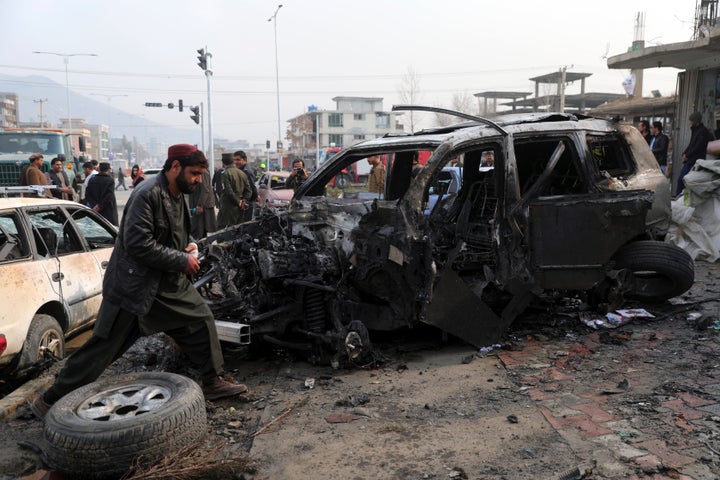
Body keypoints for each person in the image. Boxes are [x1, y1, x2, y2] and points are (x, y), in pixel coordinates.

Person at [30, 144, 248, 419]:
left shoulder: (179, 193)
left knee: (200, 320)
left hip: (166, 285)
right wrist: (181, 261)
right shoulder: (148, 194)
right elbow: (137, 243)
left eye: (200, 175)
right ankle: (48, 400)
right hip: (135, 287)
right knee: (103, 347)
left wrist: (189, 247)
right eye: (194, 174)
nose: (198, 180)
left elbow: (177, 236)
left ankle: (212, 380)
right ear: (175, 167)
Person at [677, 112, 713, 195]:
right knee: (682, 179)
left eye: (691, 120)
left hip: (696, 161)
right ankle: (679, 197)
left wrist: (687, 155)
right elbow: (691, 144)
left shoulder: (703, 131)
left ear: (695, 121)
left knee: (685, 180)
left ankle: (680, 197)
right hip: (690, 159)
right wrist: (684, 153)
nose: (689, 122)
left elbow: (698, 146)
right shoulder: (695, 130)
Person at [216, 153, 251, 228]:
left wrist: (238, 202)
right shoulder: (242, 173)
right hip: (240, 209)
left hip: (228, 208)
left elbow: (228, 191)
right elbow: (248, 191)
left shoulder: (225, 173)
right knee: (238, 231)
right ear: (233, 161)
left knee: (223, 232)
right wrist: (243, 201)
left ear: (223, 162)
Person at [85, 162, 119, 226]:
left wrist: (95, 205)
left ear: (99, 169)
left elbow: (87, 195)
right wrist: (100, 206)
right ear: (108, 170)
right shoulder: (110, 180)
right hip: (108, 210)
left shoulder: (92, 180)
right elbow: (109, 195)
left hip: (95, 210)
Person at [188, 168, 217, 238]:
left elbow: (205, 189)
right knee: (199, 231)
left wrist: (200, 205)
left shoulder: (202, 171)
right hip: (199, 205)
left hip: (203, 206)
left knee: (199, 232)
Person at [233, 150, 258, 221]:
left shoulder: (246, 172)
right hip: (242, 203)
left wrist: (247, 201)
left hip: (247, 204)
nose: (235, 162)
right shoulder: (240, 170)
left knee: (245, 226)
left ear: (245, 160)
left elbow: (252, 189)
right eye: (234, 160)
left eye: (238, 160)